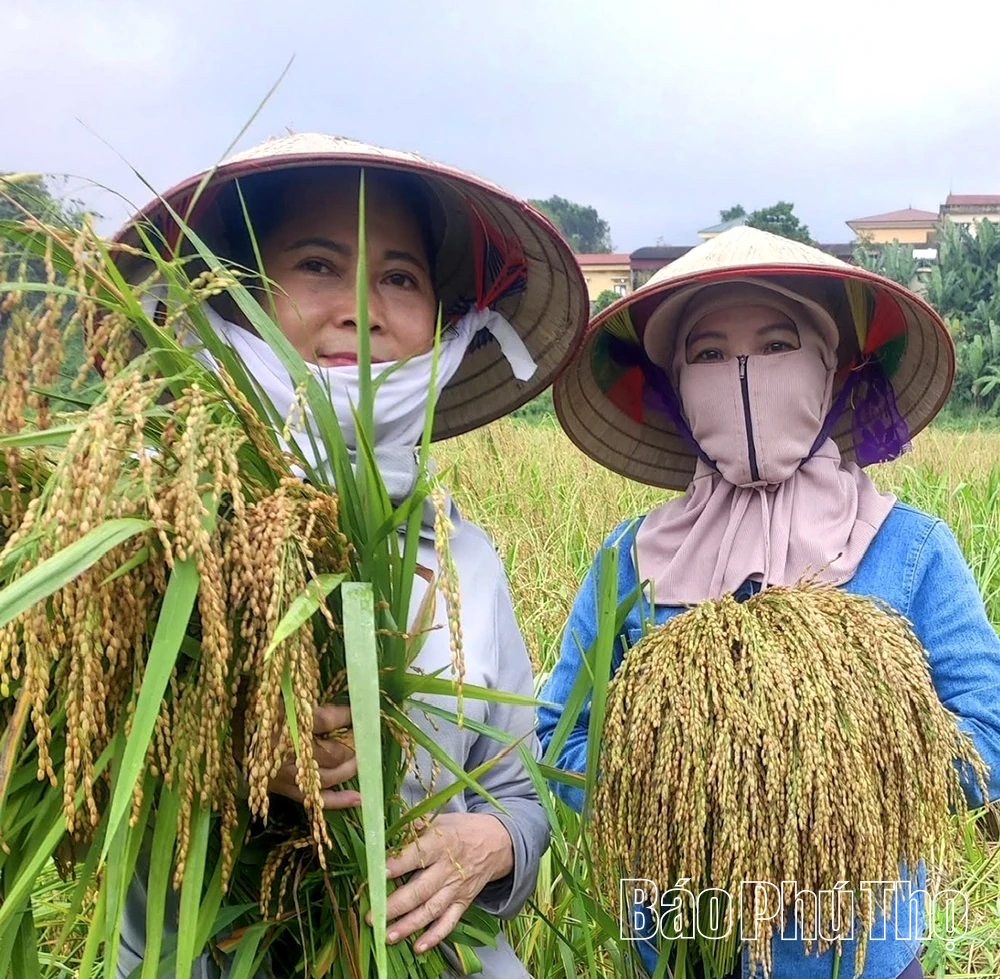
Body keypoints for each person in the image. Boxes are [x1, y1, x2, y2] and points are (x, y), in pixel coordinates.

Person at [112, 133, 590, 979]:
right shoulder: (145, 529)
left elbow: (522, 798)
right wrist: (237, 755)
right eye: (317, 265)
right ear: (233, 297)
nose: (362, 309)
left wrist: (486, 844)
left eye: (400, 278)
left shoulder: (465, 559)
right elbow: (67, 775)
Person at [539, 226, 1000, 979]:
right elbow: (561, 735)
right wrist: (690, 779)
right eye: (709, 353)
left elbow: (990, 730)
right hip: (683, 950)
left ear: (830, 366)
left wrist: (836, 771)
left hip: (863, 958)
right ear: (675, 385)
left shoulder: (908, 548)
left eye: (780, 342)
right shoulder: (629, 561)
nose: (744, 372)